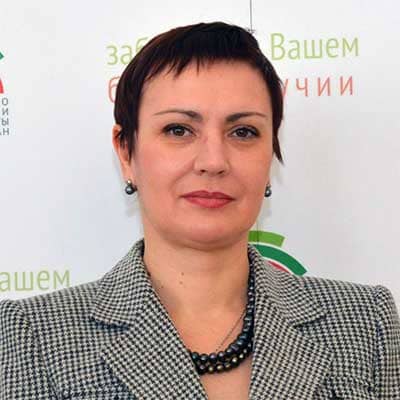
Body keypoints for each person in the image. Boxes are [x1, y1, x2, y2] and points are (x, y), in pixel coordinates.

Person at [0, 21, 399, 400]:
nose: (213, 161)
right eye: (179, 130)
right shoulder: (31, 336)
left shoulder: (367, 324)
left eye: (243, 132)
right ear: (126, 152)